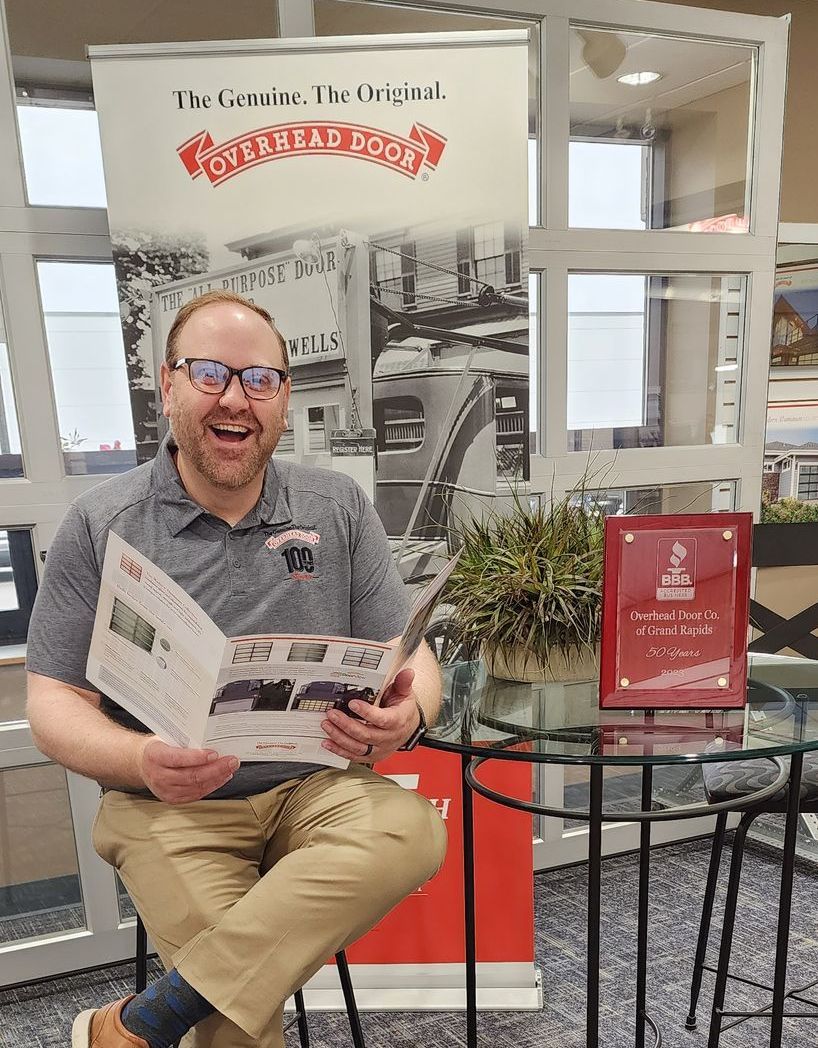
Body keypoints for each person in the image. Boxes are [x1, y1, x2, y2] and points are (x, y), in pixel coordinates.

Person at [25, 289, 447, 1048]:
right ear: (170, 385)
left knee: (410, 832)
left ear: (284, 399)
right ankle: (175, 1013)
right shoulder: (103, 524)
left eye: (259, 380)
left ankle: (140, 1022)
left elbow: (416, 654)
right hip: (163, 806)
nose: (236, 399)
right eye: (211, 373)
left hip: (312, 787)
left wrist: (409, 714)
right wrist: (138, 758)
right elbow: (52, 701)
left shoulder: (338, 505)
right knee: (233, 1021)